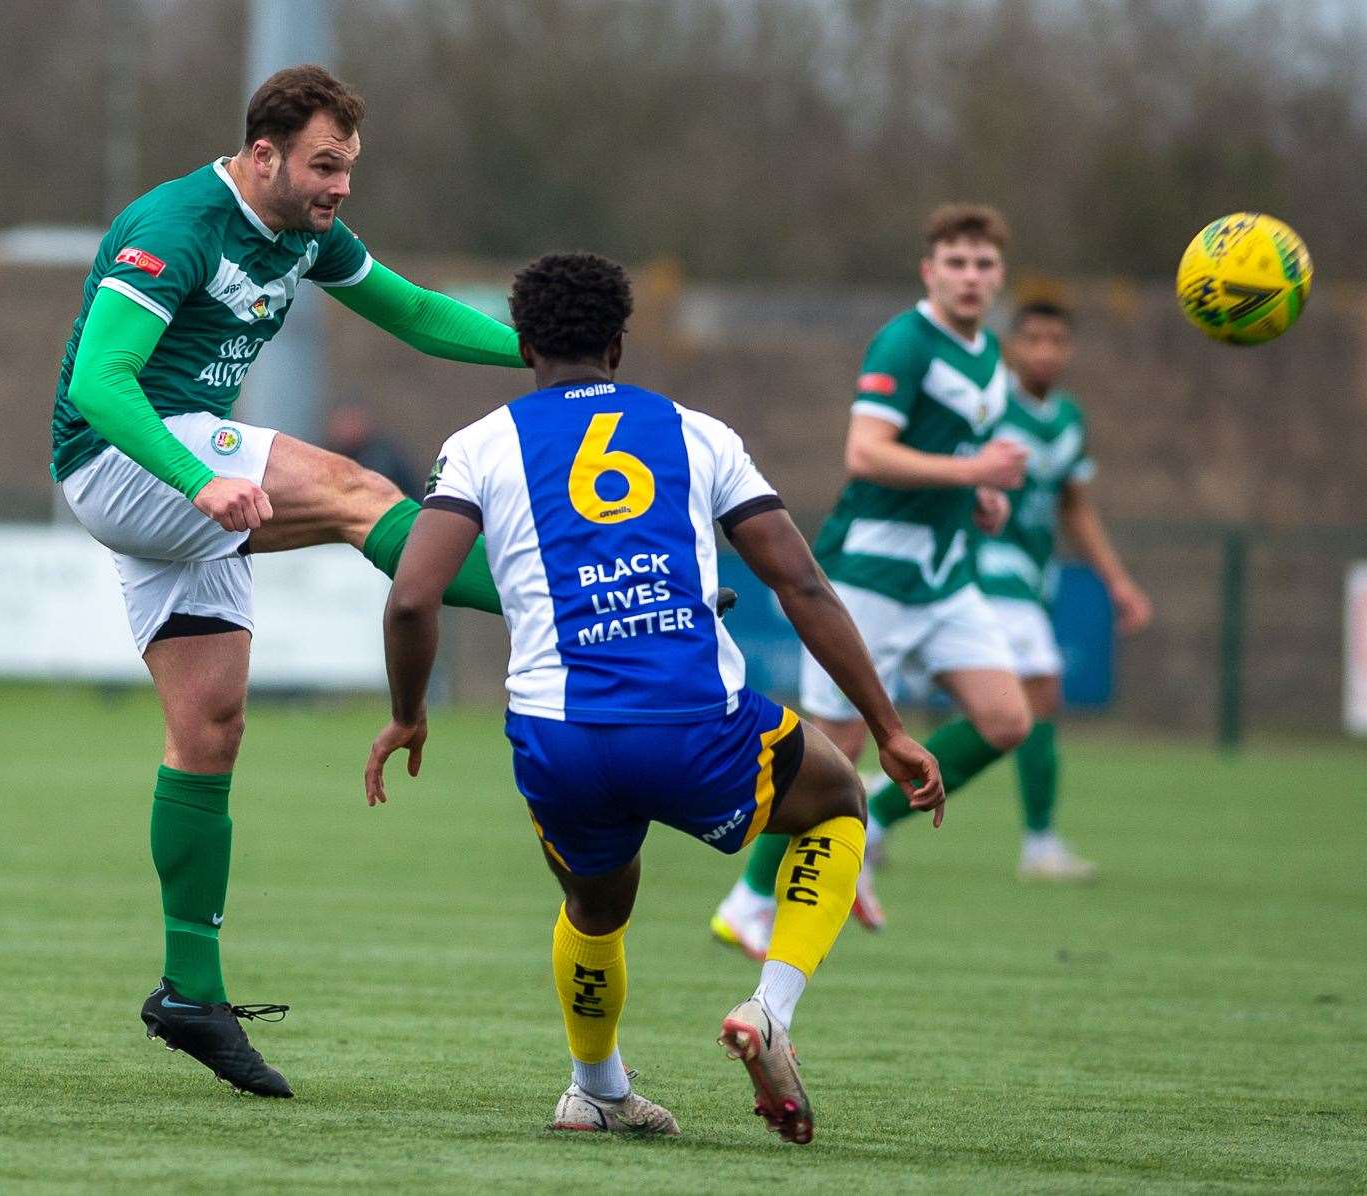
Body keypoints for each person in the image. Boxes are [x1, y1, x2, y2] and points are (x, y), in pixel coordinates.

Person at [364, 253, 943, 1144]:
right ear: (620, 345)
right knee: (838, 802)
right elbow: (803, 586)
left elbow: (411, 596)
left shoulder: (480, 443)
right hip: (694, 728)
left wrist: (408, 712)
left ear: (522, 346)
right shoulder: (696, 432)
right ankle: (770, 1011)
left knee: (596, 906)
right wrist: (890, 729)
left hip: (559, 738)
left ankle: (596, 1086)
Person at [51, 64, 528, 1098]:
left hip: (182, 480)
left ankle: (188, 989)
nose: (340, 186)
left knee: (210, 730)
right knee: (359, 489)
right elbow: (98, 382)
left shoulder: (308, 231)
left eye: (348, 168)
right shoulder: (175, 224)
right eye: (324, 165)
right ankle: (574, 601)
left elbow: (410, 312)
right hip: (125, 457)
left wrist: (545, 351)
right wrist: (200, 480)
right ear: (262, 155)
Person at [711, 203, 1032, 955]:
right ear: (930, 271)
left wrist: (975, 494)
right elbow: (867, 453)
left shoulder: (986, 353)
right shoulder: (907, 342)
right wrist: (973, 470)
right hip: (873, 575)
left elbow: (951, 456)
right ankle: (748, 900)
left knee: (1006, 718)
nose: (970, 276)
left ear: (999, 276)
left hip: (944, 577)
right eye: (956, 262)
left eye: (984, 264)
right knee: (837, 745)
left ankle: (875, 823)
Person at [862, 301, 1154, 885]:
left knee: (1016, 713)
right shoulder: (989, 403)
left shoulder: (1068, 419)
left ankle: (881, 807)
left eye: (1056, 340)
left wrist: (1117, 581)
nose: (1044, 351)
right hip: (984, 565)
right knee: (1037, 693)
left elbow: (1074, 506)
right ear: (1013, 347)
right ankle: (1036, 843)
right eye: (1033, 339)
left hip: (1031, 575)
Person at [325, 401, 424, 499]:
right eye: (343, 421)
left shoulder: (385, 458)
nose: (347, 428)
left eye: (352, 421)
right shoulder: (327, 456)